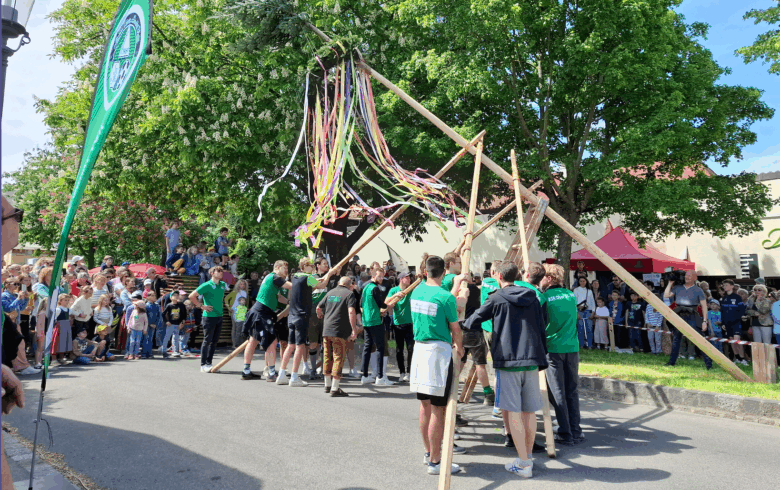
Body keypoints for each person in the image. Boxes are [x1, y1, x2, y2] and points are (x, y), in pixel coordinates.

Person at [463, 260, 547, 478]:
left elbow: (474, 320)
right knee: (529, 411)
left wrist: (458, 322)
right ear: (518, 276)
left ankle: (524, 462)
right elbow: (541, 324)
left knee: (514, 412)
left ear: (499, 277)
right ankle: (526, 456)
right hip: (531, 358)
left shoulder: (496, 298)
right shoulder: (532, 297)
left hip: (509, 360)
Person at [408, 255, 464, 476]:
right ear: (443, 273)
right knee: (438, 410)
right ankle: (436, 460)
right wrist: (459, 348)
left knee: (424, 406)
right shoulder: (444, 297)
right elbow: (456, 329)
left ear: (425, 272)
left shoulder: (417, 291)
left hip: (419, 349)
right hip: (438, 352)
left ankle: (427, 452)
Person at [541, 263, 583, 446]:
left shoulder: (544, 297)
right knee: (572, 390)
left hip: (553, 348)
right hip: (572, 347)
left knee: (557, 391)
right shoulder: (571, 295)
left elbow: (541, 323)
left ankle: (565, 432)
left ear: (549, 278)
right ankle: (576, 430)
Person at [277, 258, 333, 387]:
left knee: (291, 345)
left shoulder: (296, 276)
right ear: (305, 266)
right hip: (302, 316)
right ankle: (294, 376)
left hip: (292, 315)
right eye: (311, 266)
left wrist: (323, 277)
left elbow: (315, 281)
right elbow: (322, 285)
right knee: (300, 346)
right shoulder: (308, 277)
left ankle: (281, 374)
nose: (313, 268)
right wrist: (329, 274)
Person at [240, 260, 292, 380]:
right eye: (285, 268)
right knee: (272, 342)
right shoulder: (275, 277)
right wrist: (307, 283)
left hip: (258, 311)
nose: (286, 272)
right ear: (278, 267)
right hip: (262, 313)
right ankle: (271, 373)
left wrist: (289, 302)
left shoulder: (270, 278)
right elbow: (290, 286)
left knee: (252, 341)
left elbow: (278, 297)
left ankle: (246, 371)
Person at [317, 276, 359, 396]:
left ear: (339, 283)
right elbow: (351, 311)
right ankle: (335, 388)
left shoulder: (330, 292)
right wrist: (354, 329)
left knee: (327, 356)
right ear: (350, 285)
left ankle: (327, 385)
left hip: (327, 329)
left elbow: (318, 307)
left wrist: (320, 315)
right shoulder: (349, 294)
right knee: (338, 357)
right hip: (339, 331)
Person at [664, 270, 710, 369]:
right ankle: (671, 362)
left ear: (695, 278)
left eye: (689, 276)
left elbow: (704, 306)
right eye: (686, 276)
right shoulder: (677, 287)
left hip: (692, 315)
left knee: (700, 339)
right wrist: (670, 283)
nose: (686, 277)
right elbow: (666, 295)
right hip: (679, 314)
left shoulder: (698, 290)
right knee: (676, 339)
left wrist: (704, 321)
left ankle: (708, 364)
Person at [189, 266, 229, 371]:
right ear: (212, 273)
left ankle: (209, 364)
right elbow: (192, 296)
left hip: (219, 316)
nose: (221, 273)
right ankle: (203, 365)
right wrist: (201, 306)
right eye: (218, 271)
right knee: (207, 340)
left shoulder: (222, 284)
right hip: (209, 317)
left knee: (214, 341)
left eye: (222, 271)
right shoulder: (206, 285)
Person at [360, 266, 394, 386]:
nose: (381, 278)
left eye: (382, 276)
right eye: (379, 276)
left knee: (367, 346)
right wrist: (392, 301)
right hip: (375, 320)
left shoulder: (365, 287)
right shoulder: (375, 288)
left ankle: (364, 375)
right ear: (373, 276)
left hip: (366, 320)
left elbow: (361, 303)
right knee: (380, 347)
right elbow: (382, 304)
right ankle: (380, 377)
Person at [387, 272, 414, 382]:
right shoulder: (393, 290)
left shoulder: (411, 289)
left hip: (410, 324)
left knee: (411, 348)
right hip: (398, 324)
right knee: (399, 349)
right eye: (407, 277)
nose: (409, 279)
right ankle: (401, 372)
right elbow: (386, 303)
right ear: (401, 279)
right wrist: (395, 296)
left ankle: (409, 372)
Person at [573, 277, 596, 349]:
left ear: (586, 282)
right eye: (581, 281)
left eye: (584, 281)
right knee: (580, 329)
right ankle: (581, 345)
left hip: (588, 311)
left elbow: (592, 302)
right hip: (579, 311)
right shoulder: (576, 290)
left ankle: (589, 345)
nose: (582, 282)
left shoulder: (589, 291)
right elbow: (574, 302)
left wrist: (593, 312)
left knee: (589, 329)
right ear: (579, 282)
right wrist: (576, 313)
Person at [163, 291, 187, 358]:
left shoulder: (181, 305)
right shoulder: (169, 305)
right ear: (171, 297)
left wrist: (182, 323)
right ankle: (164, 351)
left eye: (177, 295)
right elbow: (163, 314)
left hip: (178, 324)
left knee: (176, 338)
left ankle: (175, 351)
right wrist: (166, 321)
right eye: (174, 295)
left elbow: (184, 315)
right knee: (167, 337)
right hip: (170, 324)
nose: (176, 296)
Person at [142, 292, 162, 359]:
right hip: (147, 325)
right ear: (148, 297)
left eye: (154, 295)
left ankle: (149, 353)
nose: (154, 297)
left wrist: (156, 324)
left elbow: (159, 316)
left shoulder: (157, 306)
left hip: (154, 325)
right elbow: (145, 316)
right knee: (145, 339)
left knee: (150, 339)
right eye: (152, 296)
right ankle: (144, 353)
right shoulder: (146, 306)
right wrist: (150, 323)